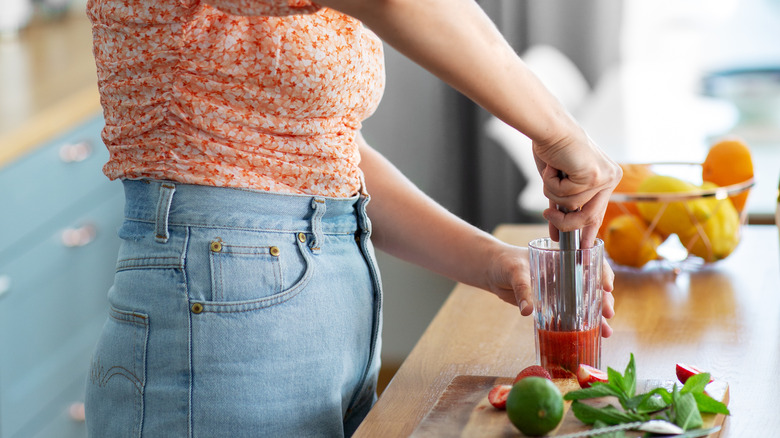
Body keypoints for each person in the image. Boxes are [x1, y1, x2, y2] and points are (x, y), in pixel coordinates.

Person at [84, 0, 622, 436]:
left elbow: (329, 159)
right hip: (218, 311)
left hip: (310, 317)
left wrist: (492, 262)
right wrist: (558, 132)